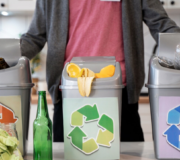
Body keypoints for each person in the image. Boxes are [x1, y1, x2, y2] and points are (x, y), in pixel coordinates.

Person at [20, 0, 180, 142]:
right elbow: (34, 37)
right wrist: (8, 57)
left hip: (121, 94)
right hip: (69, 93)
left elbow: (161, 24)